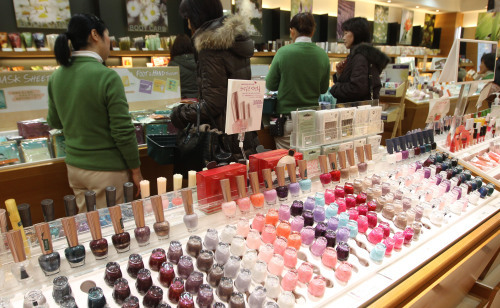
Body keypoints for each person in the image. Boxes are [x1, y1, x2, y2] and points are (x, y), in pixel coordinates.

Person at [47, 14, 143, 213]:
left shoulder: (56, 76)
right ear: (95, 35)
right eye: (108, 36)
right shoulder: (107, 77)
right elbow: (123, 131)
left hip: (74, 169)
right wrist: (136, 170)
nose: (110, 42)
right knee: (112, 230)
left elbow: (55, 121)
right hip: (106, 170)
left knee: (89, 228)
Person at [171, 0, 260, 162]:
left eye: (188, 18)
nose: (188, 24)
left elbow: (212, 104)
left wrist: (180, 113)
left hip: (222, 142)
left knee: (223, 185)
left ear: (195, 17)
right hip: (243, 132)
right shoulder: (235, 42)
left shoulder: (210, 46)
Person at [265, 12, 331, 149]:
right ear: (313, 31)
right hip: (312, 119)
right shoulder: (322, 55)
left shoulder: (283, 52)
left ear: (292, 31)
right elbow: (324, 89)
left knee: (286, 164)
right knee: (307, 163)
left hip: (288, 119)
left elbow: (270, 84)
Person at [330, 17, 390, 104]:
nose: (343, 38)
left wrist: (335, 88)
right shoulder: (363, 55)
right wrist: (340, 74)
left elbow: (357, 88)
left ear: (357, 33)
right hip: (362, 110)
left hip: (355, 111)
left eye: (346, 33)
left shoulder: (360, 57)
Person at [168, 34, 198, 98]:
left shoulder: (172, 65)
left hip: (181, 100)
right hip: (198, 99)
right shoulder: (198, 62)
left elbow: (170, 89)